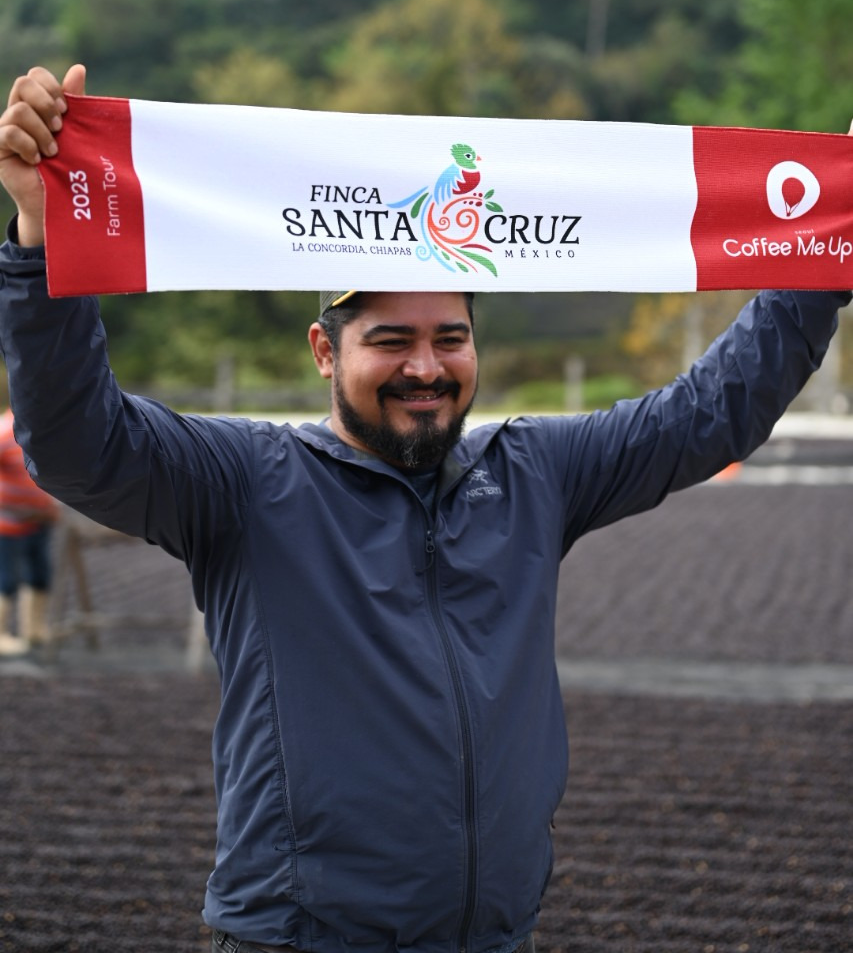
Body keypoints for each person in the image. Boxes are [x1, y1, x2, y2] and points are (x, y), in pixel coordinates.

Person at [0, 64, 849, 953]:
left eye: (450, 338)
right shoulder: (246, 482)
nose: (425, 367)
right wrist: (44, 240)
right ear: (324, 351)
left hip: (493, 937)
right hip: (301, 938)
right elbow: (78, 442)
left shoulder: (532, 472)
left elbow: (708, 414)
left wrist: (824, 245)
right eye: (390, 340)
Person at [0, 403, 60, 654]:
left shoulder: (44, 432)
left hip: (39, 521)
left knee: (39, 574)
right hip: (8, 524)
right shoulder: (5, 432)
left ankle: (34, 629)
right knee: (6, 579)